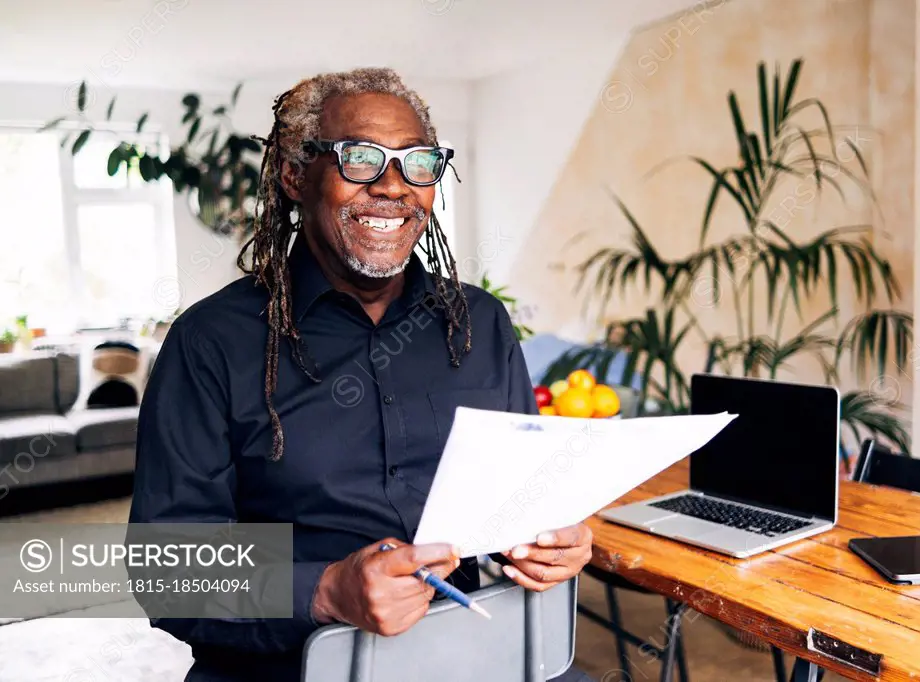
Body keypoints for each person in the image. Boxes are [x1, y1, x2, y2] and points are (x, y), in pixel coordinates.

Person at [130, 67, 594, 682]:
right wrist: (323, 592)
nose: (394, 187)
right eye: (361, 159)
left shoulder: (479, 321)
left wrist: (551, 540)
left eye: (417, 163)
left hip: (465, 651)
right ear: (296, 176)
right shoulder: (210, 343)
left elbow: (520, 498)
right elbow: (167, 567)